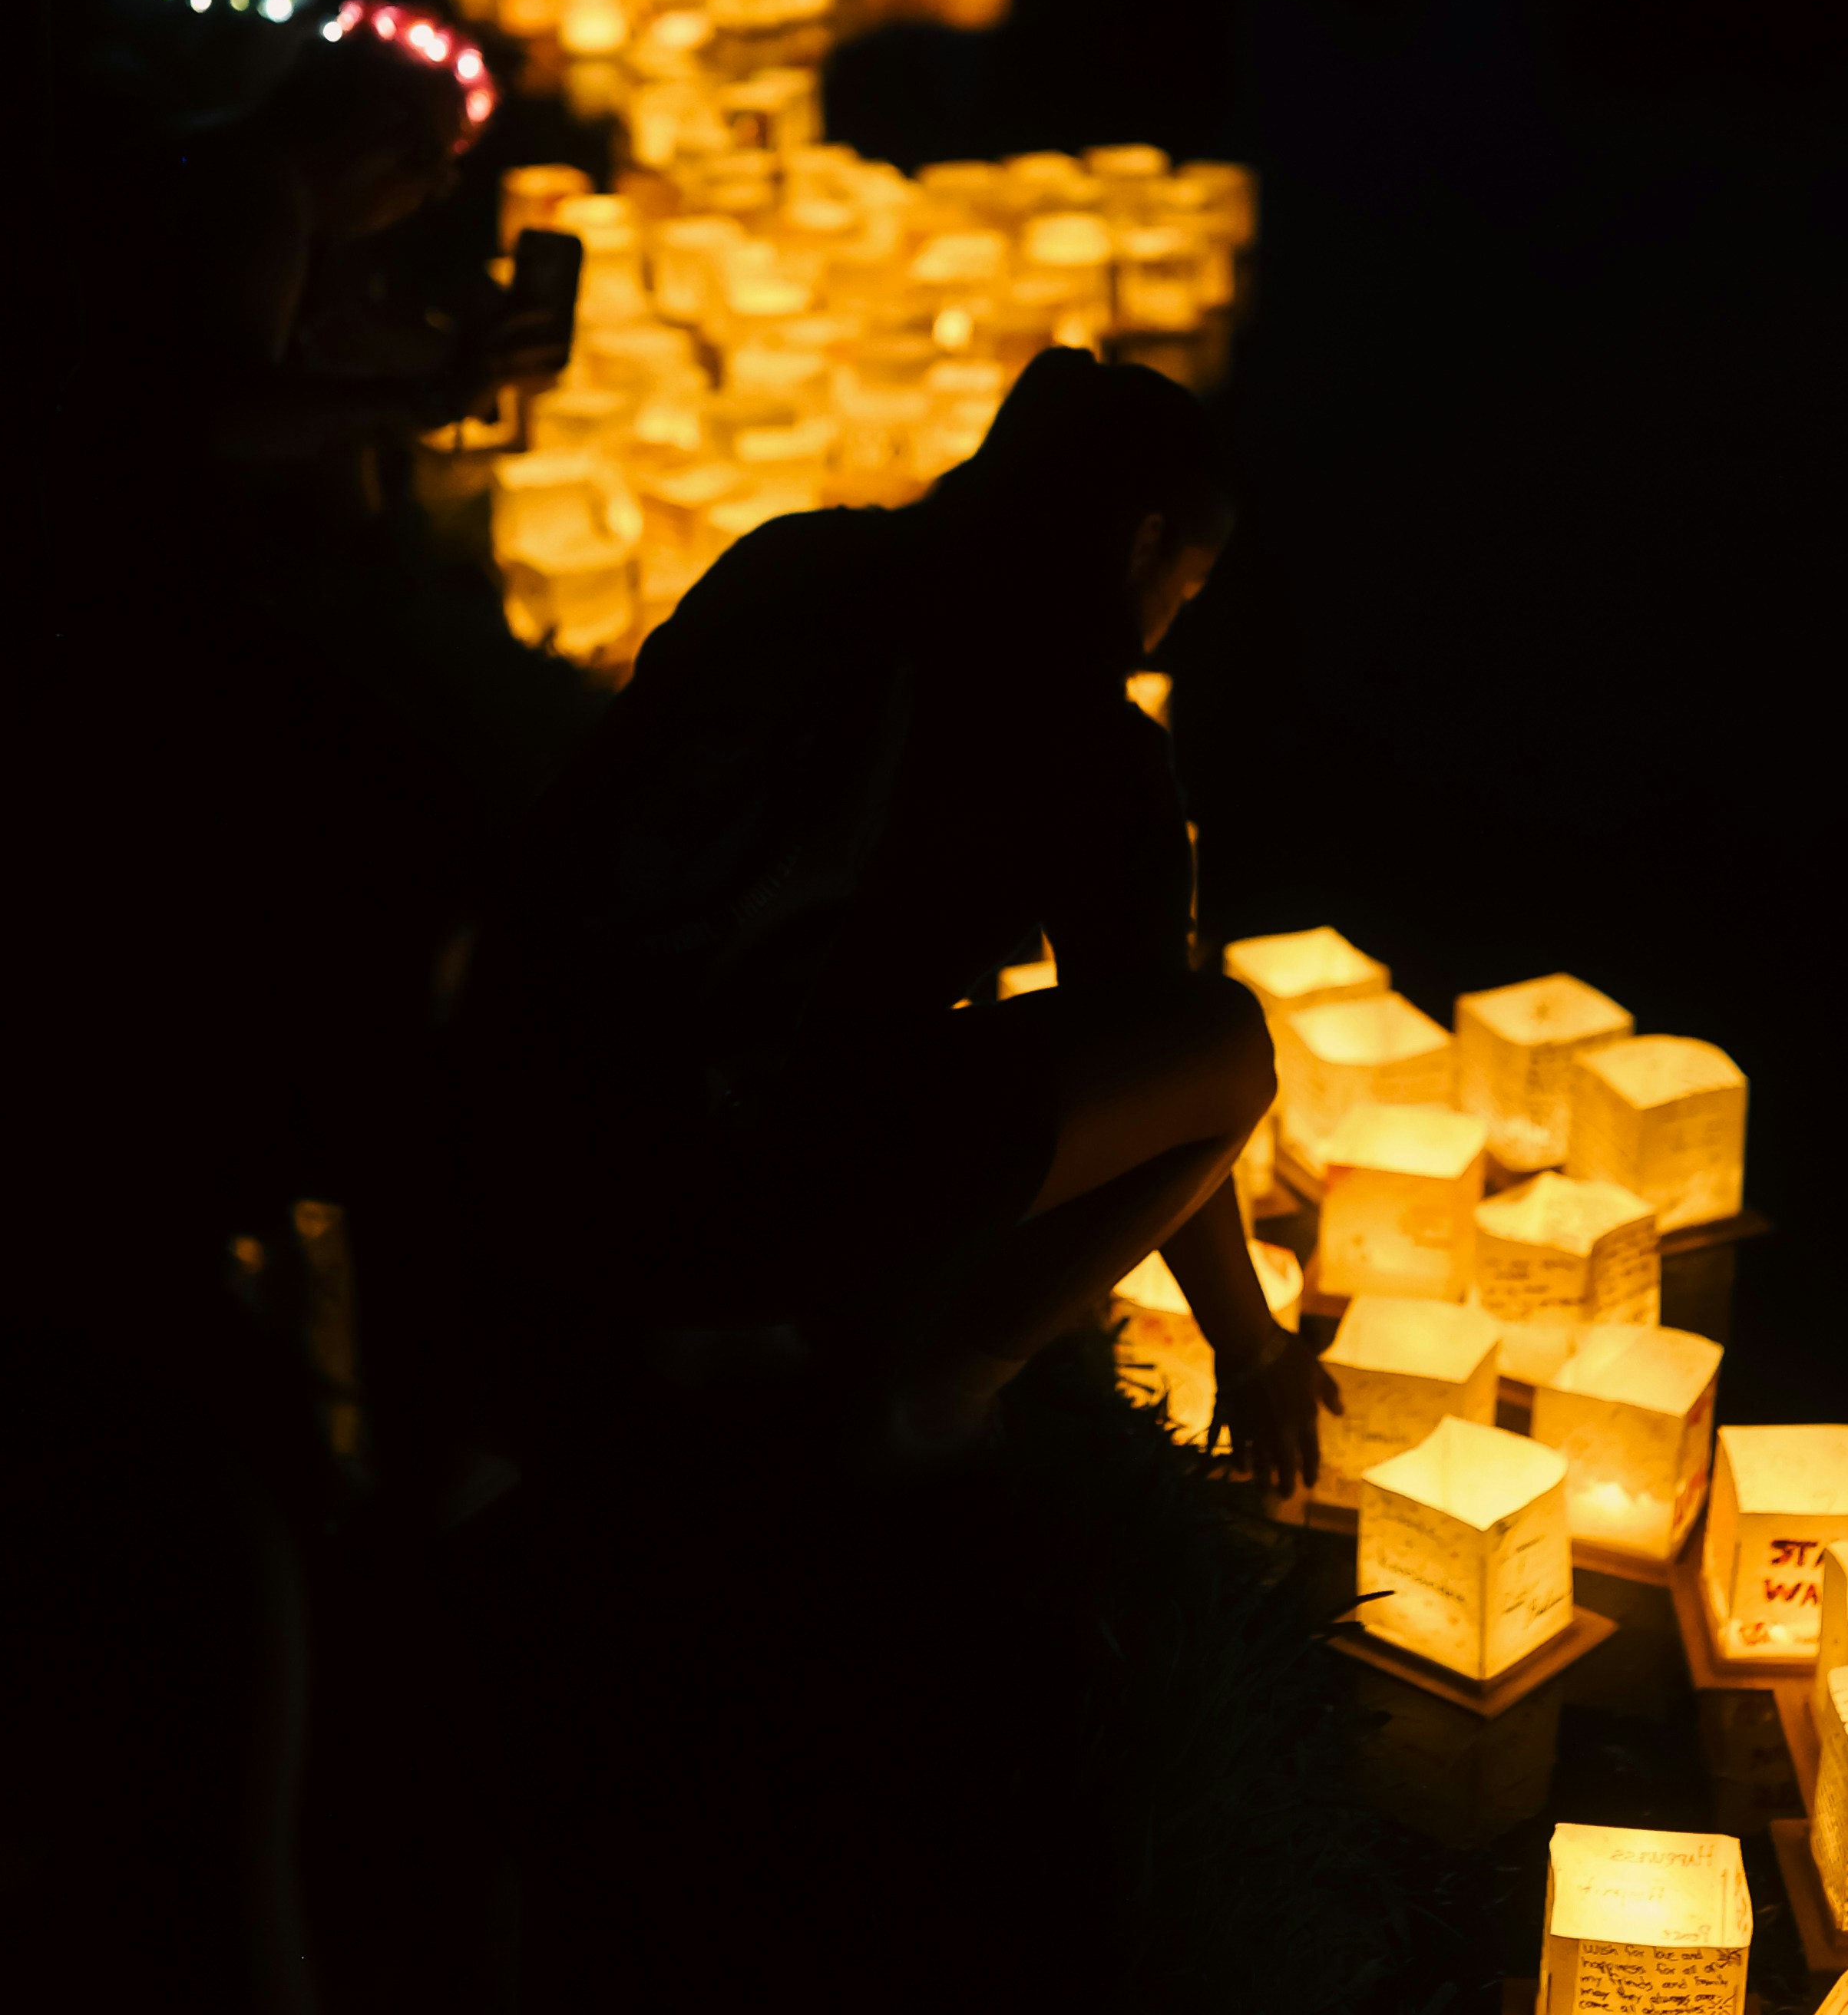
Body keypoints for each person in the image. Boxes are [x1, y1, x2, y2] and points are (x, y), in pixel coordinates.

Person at [458, 348, 1328, 1489]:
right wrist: (1252, 1346)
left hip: (512, 1097)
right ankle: (929, 1405)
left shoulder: (795, 561)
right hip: (710, 1181)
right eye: (1187, 588)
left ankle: (709, 1321)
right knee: (1225, 1049)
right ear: (1145, 544)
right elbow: (1157, 1050)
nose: (1169, 626)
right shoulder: (1090, 747)